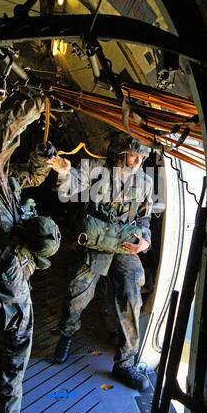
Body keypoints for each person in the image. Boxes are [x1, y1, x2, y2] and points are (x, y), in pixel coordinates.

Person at [0, 97, 61, 413]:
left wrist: (40, 158)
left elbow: (30, 177)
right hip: (3, 269)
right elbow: (0, 134)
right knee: (16, 346)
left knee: (5, 333)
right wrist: (34, 104)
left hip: (2, 265)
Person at [48, 133, 153, 391]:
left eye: (141, 157)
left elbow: (144, 219)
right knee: (78, 292)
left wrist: (146, 242)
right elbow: (68, 189)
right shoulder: (94, 170)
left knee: (131, 296)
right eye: (133, 155)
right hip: (97, 242)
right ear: (119, 153)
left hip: (125, 245)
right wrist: (63, 172)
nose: (137, 160)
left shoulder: (147, 183)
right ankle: (67, 334)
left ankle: (126, 362)